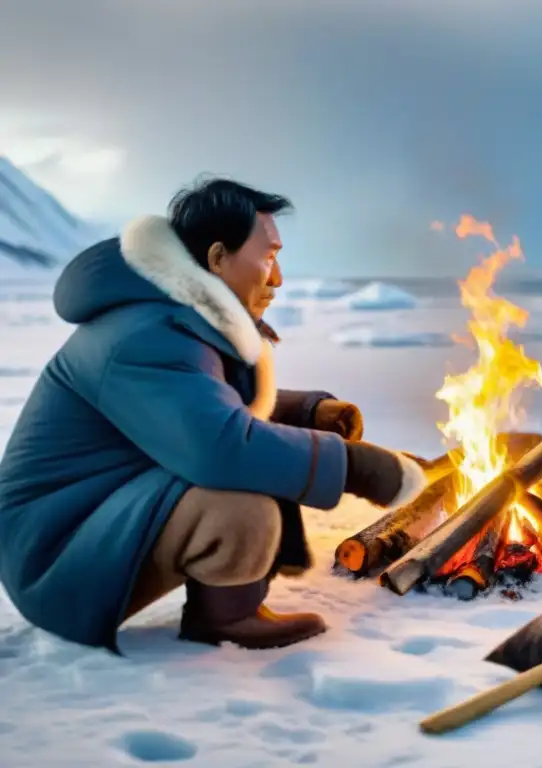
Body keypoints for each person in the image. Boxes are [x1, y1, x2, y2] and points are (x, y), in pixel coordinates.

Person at [0, 178, 428, 653]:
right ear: (218, 258)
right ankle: (228, 617)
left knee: (250, 463)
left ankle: (228, 606)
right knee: (242, 501)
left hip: (81, 521)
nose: (278, 278)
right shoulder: (143, 335)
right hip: (53, 560)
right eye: (268, 256)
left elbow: (197, 399)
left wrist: (307, 412)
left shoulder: (164, 317)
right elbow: (218, 445)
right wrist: (360, 467)